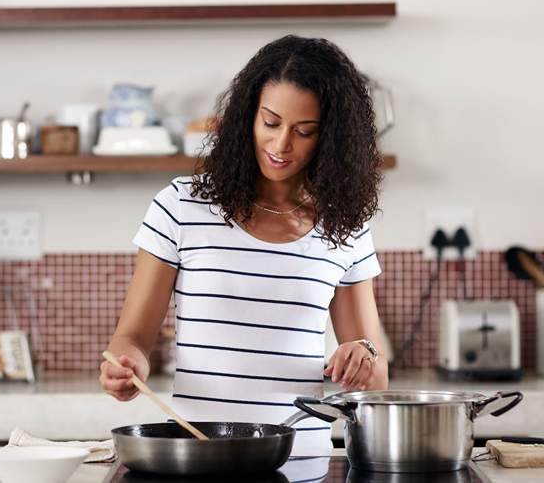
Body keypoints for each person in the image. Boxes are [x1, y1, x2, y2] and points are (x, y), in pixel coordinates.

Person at [99, 35, 388, 455]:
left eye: (304, 131)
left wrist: (363, 357)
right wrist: (126, 368)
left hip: (301, 459)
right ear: (247, 117)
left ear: (331, 139)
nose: (281, 145)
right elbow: (131, 338)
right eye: (270, 123)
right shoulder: (181, 206)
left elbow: (376, 380)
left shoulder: (345, 224)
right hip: (200, 456)